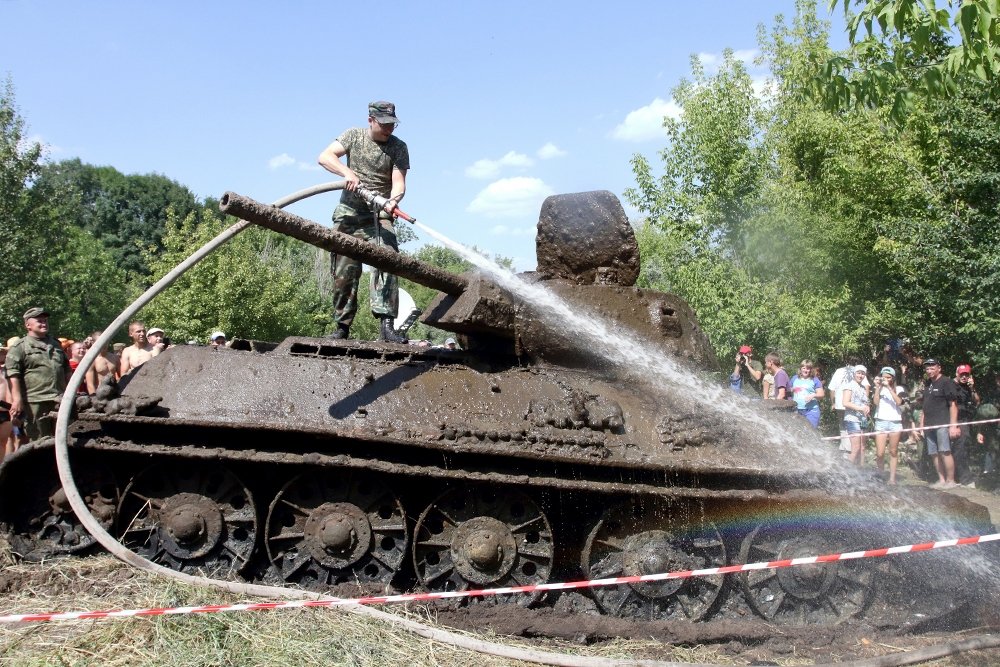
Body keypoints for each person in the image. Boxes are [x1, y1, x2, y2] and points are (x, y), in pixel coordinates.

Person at [318, 100, 410, 343]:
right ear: (371, 120)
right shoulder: (353, 136)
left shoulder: (398, 147)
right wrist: (347, 173)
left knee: (387, 260)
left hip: (379, 215)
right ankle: (342, 327)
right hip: (349, 214)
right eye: (384, 124)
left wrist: (392, 200)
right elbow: (325, 157)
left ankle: (387, 326)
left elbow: (399, 183)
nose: (389, 129)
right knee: (343, 271)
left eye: (392, 124)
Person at [3, 307, 71, 440]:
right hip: (35, 402)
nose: (44, 323)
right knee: (39, 440)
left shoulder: (56, 344)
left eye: (45, 320)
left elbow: (66, 369)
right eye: (39, 321)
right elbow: (13, 375)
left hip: (59, 399)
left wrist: (71, 392)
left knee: (63, 438)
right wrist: (17, 399)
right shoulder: (20, 347)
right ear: (28, 325)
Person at [919, 358, 960, 489]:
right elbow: (925, 406)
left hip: (942, 423)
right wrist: (921, 424)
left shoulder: (946, 382)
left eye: (932, 368)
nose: (929, 370)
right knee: (933, 453)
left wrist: (953, 425)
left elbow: (953, 405)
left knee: (944, 451)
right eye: (927, 368)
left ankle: (950, 480)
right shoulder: (928, 383)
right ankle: (941, 480)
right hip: (929, 424)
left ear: (939, 368)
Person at [873, 366, 905, 484]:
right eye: (884, 377)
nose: (886, 379)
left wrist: (889, 388)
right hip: (881, 421)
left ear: (893, 378)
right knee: (880, 452)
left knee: (893, 451)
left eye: (888, 377)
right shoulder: (879, 388)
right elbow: (876, 402)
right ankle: (881, 476)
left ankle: (892, 478)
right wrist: (878, 387)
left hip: (895, 422)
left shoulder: (899, 388)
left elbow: (899, 402)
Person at [952, 363, 979, 487]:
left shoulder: (968, 388)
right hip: (956, 420)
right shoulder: (951, 386)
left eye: (966, 375)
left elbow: (977, 401)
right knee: (959, 449)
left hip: (966, 420)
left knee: (964, 448)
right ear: (957, 374)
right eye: (962, 374)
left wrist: (972, 388)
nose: (964, 377)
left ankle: (960, 476)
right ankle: (964, 478)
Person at [842, 365, 871, 466]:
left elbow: (865, 402)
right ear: (854, 374)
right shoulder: (849, 385)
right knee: (856, 448)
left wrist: (867, 407)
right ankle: (846, 471)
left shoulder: (863, 388)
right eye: (858, 373)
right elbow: (845, 402)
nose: (860, 375)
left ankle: (860, 469)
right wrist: (860, 408)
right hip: (852, 419)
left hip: (863, 419)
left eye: (862, 374)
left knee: (862, 447)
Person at [790, 359, 824, 427]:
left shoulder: (814, 379)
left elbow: (821, 394)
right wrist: (792, 389)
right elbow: (788, 389)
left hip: (811, 410)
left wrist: (813, 395)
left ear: (811, 370)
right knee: (797, 431)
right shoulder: (794, 378)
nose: (805, 370)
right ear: (800, 369)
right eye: (804, 368)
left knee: (811, 431)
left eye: (808, 368)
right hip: (796, 410)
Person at [84, 331, 120, 396]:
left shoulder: (115, 358)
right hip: (100, 394)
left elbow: (122, 377)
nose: (104, 344)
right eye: (101, 342)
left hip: (114, 393)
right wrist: (94, 398)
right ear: (93, 343)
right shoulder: (91, 360)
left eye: (106, 341)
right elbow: (90, 384)